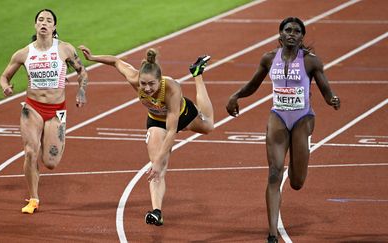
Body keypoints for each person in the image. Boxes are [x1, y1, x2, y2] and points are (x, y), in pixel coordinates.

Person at [226, 17, 340, 243]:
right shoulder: (269, 59)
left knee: (296, 182)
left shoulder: (311, 62)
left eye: (297, 31)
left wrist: (332, 99)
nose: (292, 34)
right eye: (287, 30)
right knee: (274, 173)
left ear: (301, 37)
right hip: (278, 117)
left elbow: (325, 88)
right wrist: (236, 95)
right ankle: (271, 234)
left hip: (302, 119)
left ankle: (298, 158)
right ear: (279, 34)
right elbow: (254, 84)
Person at [79, 45, 214, 226]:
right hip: (156, 120)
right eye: (143, 84)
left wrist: (159, 159)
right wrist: (93, 57)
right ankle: (156, 212)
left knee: (208, 126)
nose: (147, 88)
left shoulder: (172, 89)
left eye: (152, 84)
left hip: (182, 115)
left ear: (160, 80)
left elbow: (172, 130)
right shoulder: (134, 78)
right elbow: (116, 62)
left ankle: (197, 73)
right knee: (157, 168)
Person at [0, 9, 88, 214]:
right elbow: (4, 76)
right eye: (40, 20)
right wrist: (5, 86)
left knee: (50, 162)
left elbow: (83, 72)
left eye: (49, 20)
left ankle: (39, 163)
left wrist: (82, 91)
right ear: (35, 25)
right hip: (33, 108)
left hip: (57, 111)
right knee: (30, 152)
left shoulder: (64, 49)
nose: (44, 23)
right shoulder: (23, 54)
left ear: (54, 27)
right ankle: (33, 199)